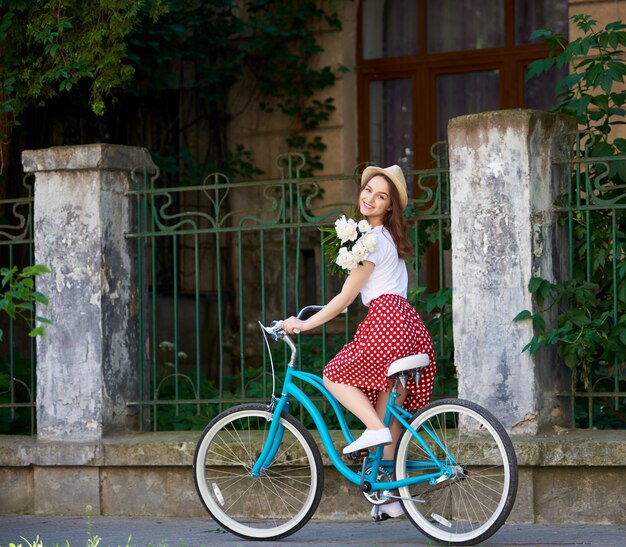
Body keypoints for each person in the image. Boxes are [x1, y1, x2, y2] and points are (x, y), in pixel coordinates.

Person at [281, 164, 437, 519]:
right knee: (390, 417)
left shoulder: (369, 241)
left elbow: (344, 299)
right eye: (368, 190)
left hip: (386, 323)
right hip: (410, 326)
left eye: (380, 196)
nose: (369, 198)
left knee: (334, 375)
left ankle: (374, 430)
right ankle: (392, 496)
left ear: (389, 207)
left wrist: (302, 324)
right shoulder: (389, 241)